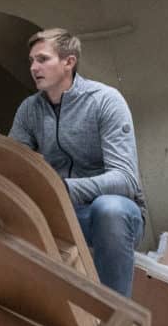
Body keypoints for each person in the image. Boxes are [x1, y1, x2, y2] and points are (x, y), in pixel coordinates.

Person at [9, 28, 147, 297]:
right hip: (59, 209)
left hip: (113, 215)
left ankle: (112, 321)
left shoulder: (106, 101)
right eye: (31, 61)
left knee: (109, 209)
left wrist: (62, 187)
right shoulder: (29, 109)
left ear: (68, 62)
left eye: (42, 59)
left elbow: (125, 180)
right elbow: (15, 163)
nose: (34, 67)